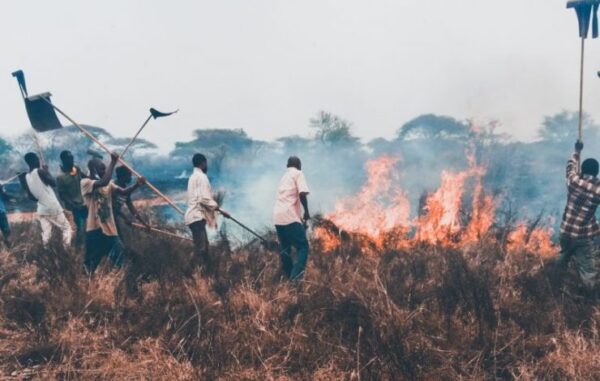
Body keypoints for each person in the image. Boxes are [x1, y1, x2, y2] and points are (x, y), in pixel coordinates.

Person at [81, 153, 144, 273]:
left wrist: (137, 184)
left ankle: (128, 285)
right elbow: (103, 182)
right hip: (94, 230)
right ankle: (86, 286)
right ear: (93, 170)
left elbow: (124, 192)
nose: (105, 171)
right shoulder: (85, 183)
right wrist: (113, 162)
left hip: (110, 230)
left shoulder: (109, 184)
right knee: (89, 265)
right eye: (102, 169)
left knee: (122, 262)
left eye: (106, 169)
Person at [555, 140, 600, 288]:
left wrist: (577, 151)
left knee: (562, 259)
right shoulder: (598, 191)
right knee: (588, 270)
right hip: (582, 236)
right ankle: (591, 298)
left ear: (583, 170)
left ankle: (552, 285)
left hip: (565, 232)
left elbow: (570, 167)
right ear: (596, 172)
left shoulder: (573, 182)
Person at [184, 153, 229, 274]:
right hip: (196, 217)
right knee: (201, 249)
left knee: (204, 247)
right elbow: (203, 199)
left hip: (194, 217)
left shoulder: (192, 177)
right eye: (206, 163)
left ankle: (209, 273)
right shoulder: (201, 177)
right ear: (203, 163)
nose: (206, 165)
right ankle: (188, 273)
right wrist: (219, 209)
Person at [20, 153, 72, 248]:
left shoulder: (27, 176)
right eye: (37, 159)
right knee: (66, 228)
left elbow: (32, 197)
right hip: (52, 206)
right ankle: (66, 250)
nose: (38, 161)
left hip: (41, 208)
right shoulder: (40, 171)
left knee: (47, 233)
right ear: (33, 161)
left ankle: (46, 251)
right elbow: (54, 183)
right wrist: (47, 171)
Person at [273, 156, 311, 281]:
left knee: (285, 248)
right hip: (289, 217)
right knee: (303, 247)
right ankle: (294, 280)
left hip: (278, 217)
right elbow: (302, 193)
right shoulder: (298, 173)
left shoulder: (284, 177)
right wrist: (306, 212)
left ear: (287, 166)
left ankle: (287, 277)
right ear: (299, 165)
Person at [56, 150, 88, 246]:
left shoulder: (76, 168)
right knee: (80, 229)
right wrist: (73, 205)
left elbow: (84, 177)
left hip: (84, 203)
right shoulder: (60, 177)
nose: (72, 159)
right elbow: (62, 195)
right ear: (64, 160)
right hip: (75, 207)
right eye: (69, 158)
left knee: (90, 227)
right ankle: (78, 249)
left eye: (72, 157)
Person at [112, 165, 150, 238]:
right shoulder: (113, 186)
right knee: (117, 241)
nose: (130, 177)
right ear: (122, 176)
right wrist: (125, 217)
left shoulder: (126, 189)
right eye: (129, 175)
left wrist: (143, 223)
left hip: (113, 219)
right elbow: (112, 207)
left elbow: (132, 209)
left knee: (119, 241)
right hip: (107, 219)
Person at [0, 183, 15, 248]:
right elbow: (5, 195)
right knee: (6, 232)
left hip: (1, 212)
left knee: (7, 232)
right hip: (1, 212)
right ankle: (9, 249)